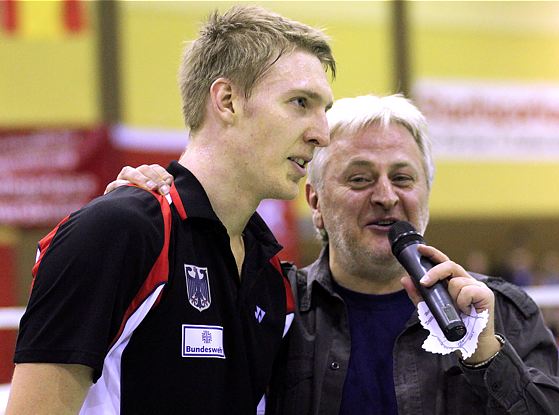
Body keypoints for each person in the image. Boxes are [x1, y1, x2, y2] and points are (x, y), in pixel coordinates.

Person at [113, 94, 559, 415]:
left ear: (425, 194)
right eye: (359, 179)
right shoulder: (272, 308)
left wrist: (487, 354)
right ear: (316, 204)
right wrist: (146, 217)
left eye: (402, 178)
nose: (385, 196)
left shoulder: (500, 310)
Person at [7, 5, 335, 415]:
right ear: (228, 101)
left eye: (326, 110)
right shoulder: (118, 231)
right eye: (300, 102)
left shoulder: (270, 276)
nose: (321, 133)